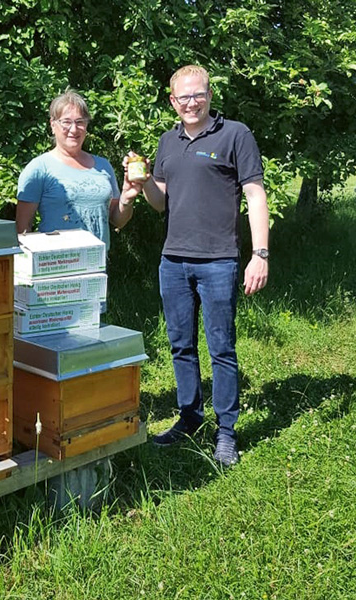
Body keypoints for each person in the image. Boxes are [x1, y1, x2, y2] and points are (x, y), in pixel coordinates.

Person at [138, 65, 269, 466]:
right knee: (180, 345)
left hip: (219, 260)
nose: (191, 103)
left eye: (198, 95)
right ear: (172, 100)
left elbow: (255, 194)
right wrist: (141, 182)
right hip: (173, 260)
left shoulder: (235, 134)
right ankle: (189, 417)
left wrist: (259, 254)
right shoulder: (167, 141)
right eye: (183, 98)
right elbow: (160, 200)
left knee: (221, 348)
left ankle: (226, 431)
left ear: (209, 96)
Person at [16, 91, 142, 249]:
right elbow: (22, 230)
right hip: (55, 265)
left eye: (80, 122)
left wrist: (127, 198)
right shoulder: (39, 169)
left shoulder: (103, 166)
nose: (74, 129)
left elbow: (118, 220)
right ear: (52, 124)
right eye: (66, 122)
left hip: (97, 264)